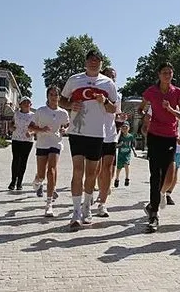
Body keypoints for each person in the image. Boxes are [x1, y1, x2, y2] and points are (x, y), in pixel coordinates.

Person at [59, 50, 118, 230]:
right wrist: (70, 105)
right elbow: (62, 100)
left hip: (97, 133)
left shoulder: (108, 83)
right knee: (78, 170)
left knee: (92, 173)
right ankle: (75, 211)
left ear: (101, 63)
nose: (94, 63)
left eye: (97, 61)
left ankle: (87, 207)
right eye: (91, 60)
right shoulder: (74, 79)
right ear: (85, 62)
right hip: (77, 131)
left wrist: (104, 102)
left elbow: (113, 108)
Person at [137, 62, 180, 232]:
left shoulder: (177, 93)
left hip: (170, 137)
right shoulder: (151, 92)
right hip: (155, 136)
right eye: (164, 72)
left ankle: (154, 203)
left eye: (170, 72)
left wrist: (171, 110)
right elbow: (140, 110)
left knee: (166, 176)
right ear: (158, 74)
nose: (167, 75)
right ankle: (153, 214)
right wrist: (145, 118)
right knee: (155, 174)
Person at [28, 86, 69, 217]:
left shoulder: (63, 113)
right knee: (42, 174)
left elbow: (67, 125)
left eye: (56, 95)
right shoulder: (40, 111)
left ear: (59, 97)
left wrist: (65, 130)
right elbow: (31, 127)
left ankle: (49, 204)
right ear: (47, 96)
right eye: (51, 94)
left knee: (51, 170)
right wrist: (41, 130)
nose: (53, 97)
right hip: (42, 143)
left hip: (55, 143)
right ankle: (37, 180)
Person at [95, 67, 127, 217]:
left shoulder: (117, 95)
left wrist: (121, 119)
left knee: (108, 168)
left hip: (110, 134)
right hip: (94, 133)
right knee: (96, 168)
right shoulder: (94, 90)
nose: (111, 79)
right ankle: (94, 193)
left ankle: (102, 203)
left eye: (113, 77)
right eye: (108, 76)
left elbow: (116, 113)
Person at [9, 97, 35, 191]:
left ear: (31, 105)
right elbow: (11, 123)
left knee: (23, 161)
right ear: (20, 104)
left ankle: (19, 182)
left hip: (27, 141)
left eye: (28, 102)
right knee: (16, 160)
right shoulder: (16, 114)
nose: (26, 104)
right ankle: (13, 181)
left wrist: (31, 133)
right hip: (16, 139)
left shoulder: (33, 115)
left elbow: (36, 128)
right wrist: (11, 128)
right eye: (24, 102)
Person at [114, 122, 135, 187]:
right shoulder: (119, 137)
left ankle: (127, 178)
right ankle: (117, 179)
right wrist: (119, 145)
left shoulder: (130, 136)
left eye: (126, 127)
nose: (124, 129)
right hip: (121, 154)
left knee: (126, 165)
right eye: (123, 127)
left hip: (127, 154)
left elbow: (132, 145)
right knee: (119, 168)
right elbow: (115, 145)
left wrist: (134, 152)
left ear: (128, 128)